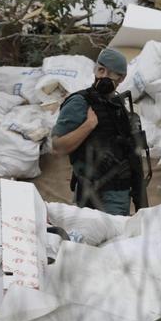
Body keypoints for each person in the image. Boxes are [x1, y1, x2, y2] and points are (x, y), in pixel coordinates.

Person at [51, 48, 134, 215]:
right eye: (101, 69)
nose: (103, 76)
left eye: (110, 73)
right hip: (91, 192)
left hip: (119, 191)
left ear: (121, 78)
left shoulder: (118, 105)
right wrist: (88, 125)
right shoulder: (79, 102)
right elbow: (57, 146)